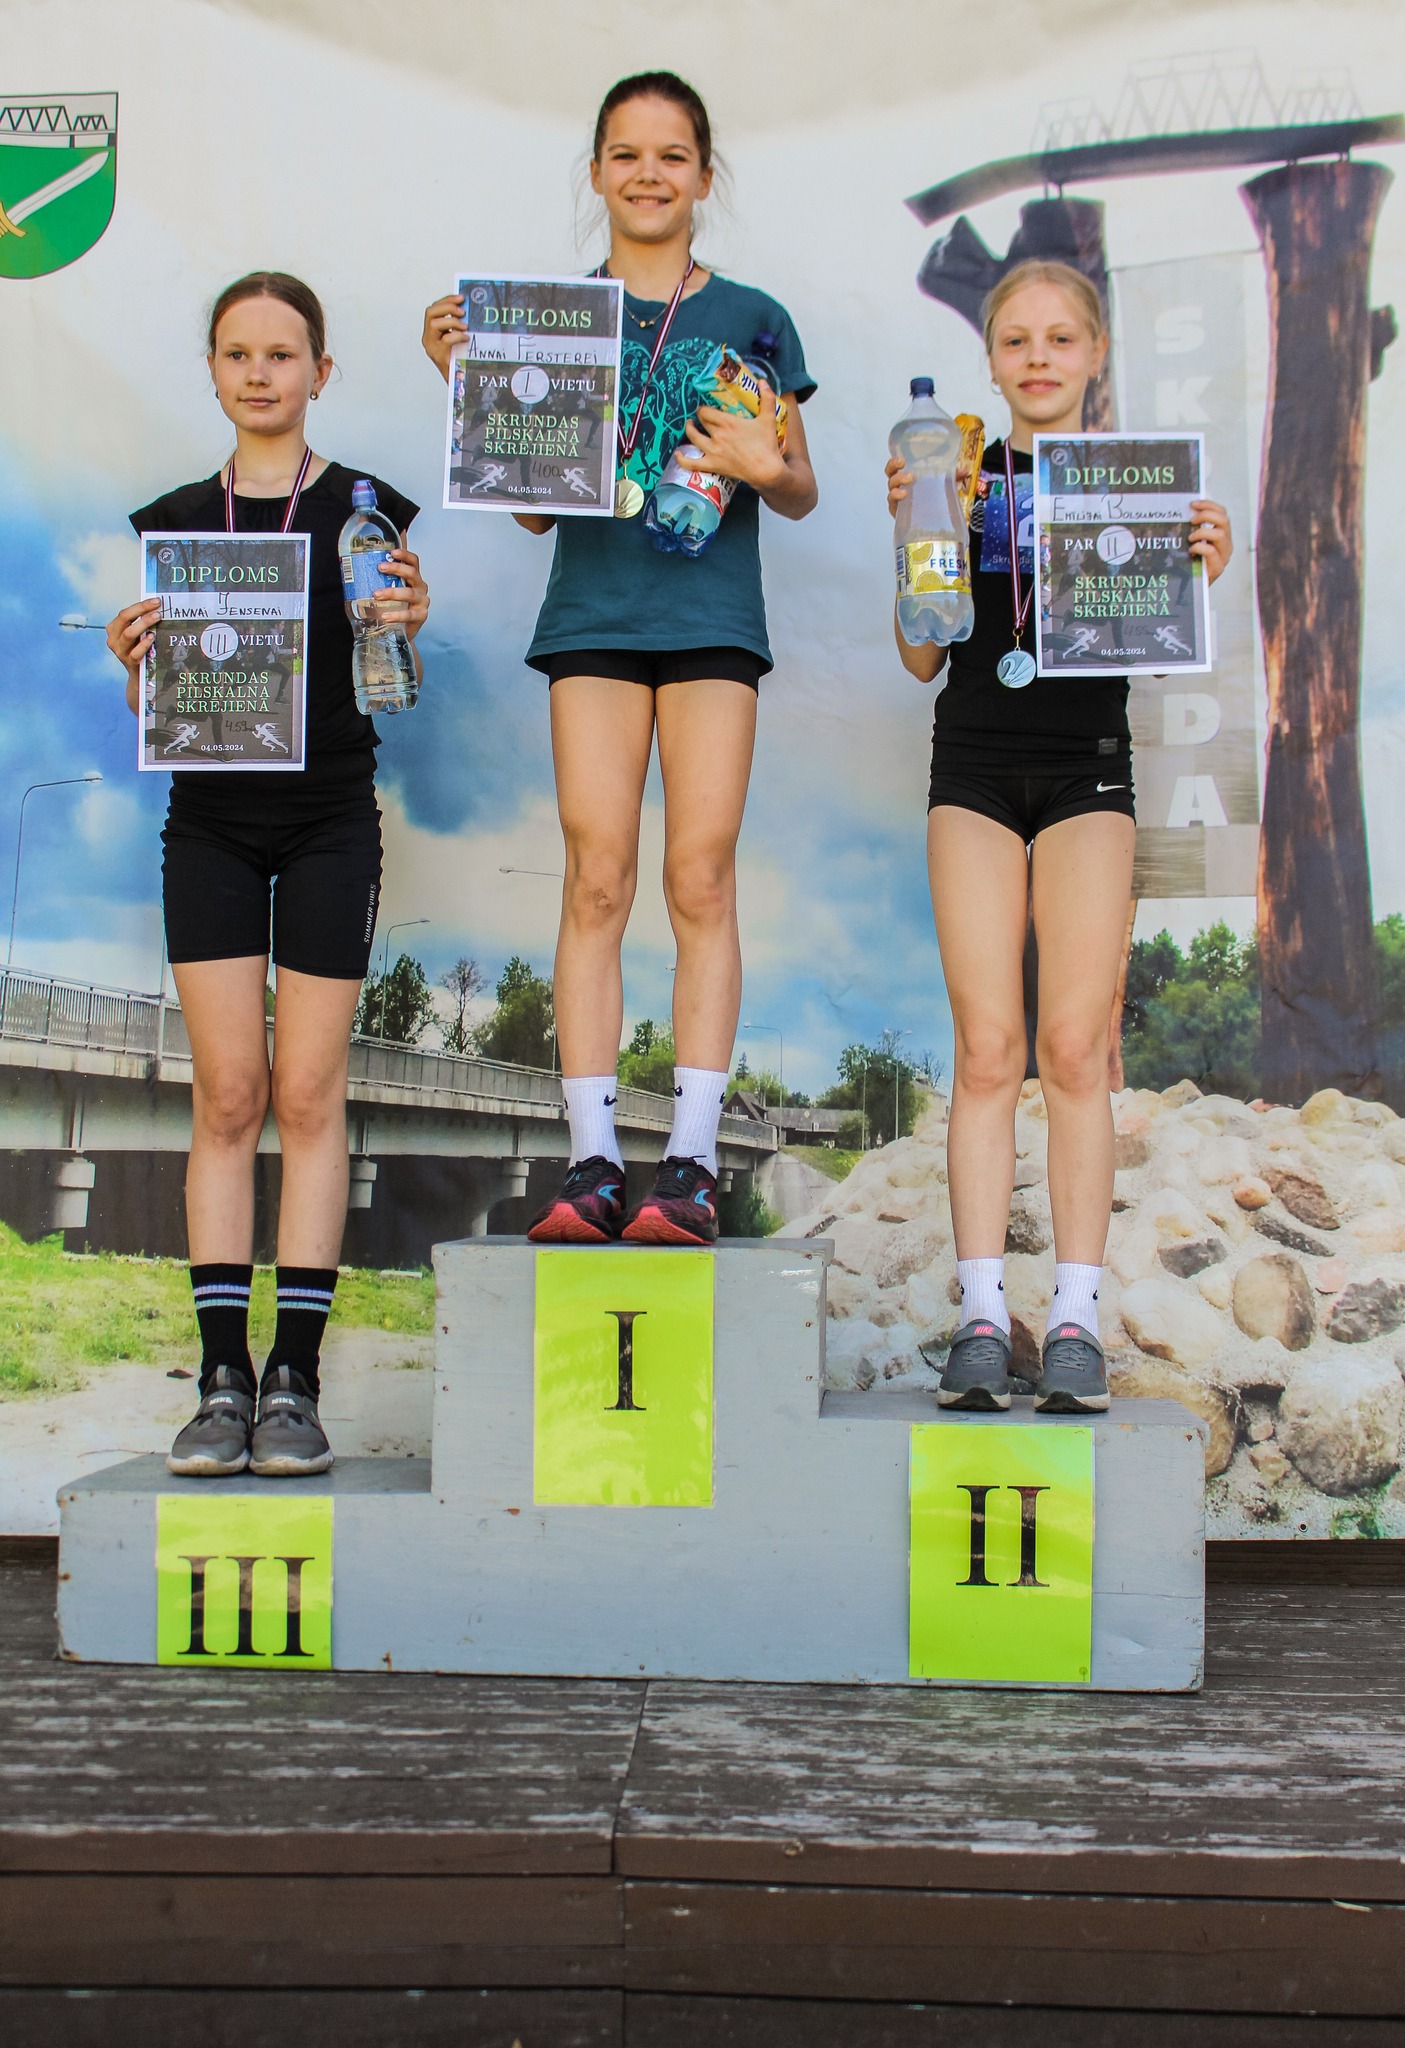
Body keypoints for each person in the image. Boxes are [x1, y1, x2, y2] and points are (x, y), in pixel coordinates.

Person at [423, 69, 817, 1246]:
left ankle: (688, 1162)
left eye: (671, 155)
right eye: (627, 154)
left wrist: (765, 467)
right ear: (596, 171)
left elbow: (798, 486)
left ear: (705, 174)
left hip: (711, 621)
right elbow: (535, 510)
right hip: (592, 616)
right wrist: (474, 387)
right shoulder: (550, 317)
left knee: (701, 875)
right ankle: (592, 1156)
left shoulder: (756, 315)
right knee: (596, 876)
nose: (649, 174)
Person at [886, 259, 1233, 1413]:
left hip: (1089, 769)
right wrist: (920, 527)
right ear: (990, 359)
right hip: (972, 768)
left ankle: (1076, 1316)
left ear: (1095, 354)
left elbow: (1163, 647)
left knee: (1075, 1047)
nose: (1038, 357)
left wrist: (1197, 562)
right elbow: (919, 656)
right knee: (989, 1049)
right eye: (1016, 339)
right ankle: (983, 1316)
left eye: (1060, 338)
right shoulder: (951, 469)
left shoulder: (1138, 487)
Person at [107, 272, 429, 1476]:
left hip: (332, 819)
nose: (259, 373)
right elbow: (163, 706)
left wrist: (407, 619)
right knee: (228, 1095)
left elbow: (393, 652)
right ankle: (220, 1378)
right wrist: (133, 665)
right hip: (210, 826)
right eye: (237, 353)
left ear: (319, 373)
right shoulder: (178, 522)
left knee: (307, 1092)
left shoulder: (363, 512)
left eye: (281, 353)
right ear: (212, 371)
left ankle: (295, 1378)